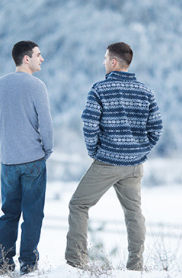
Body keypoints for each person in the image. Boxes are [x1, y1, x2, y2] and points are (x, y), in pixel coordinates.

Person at [65, 42, 163, 270]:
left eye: (105, 58)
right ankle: (135, 265)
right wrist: (140, 150)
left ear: (113, 62)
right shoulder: (146, 91)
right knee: (134, 213)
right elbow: (156, 127)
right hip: (134, 164)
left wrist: (95, 151)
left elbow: (89, 124)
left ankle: (75, 263)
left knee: (78, 205)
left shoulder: (99, 89)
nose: (103, 63)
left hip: (107, 161)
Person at [0, 40, 54, 275]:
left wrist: (5, 148)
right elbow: (45, 125)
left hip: (8, 161)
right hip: (33, 160)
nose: (42, 58)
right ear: (26, 59)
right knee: (33, 213)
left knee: (9, 213)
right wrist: (47, 150)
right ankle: (28, 263)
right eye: (38, 54)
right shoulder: (37, 86)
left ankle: (4, 264)